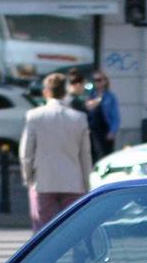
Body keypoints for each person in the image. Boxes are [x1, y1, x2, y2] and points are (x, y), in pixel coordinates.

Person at [19, 72, 93, 234]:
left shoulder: (35, 116)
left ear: (46, 92)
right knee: (74, 230)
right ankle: (77, 258)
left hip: (43, 180)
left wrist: (28, 177)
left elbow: (26, 153)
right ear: (66, 92)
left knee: (42, 231)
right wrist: (86, 184)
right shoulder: (79, 118)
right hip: (73, 181)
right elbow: (85, 155)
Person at [86, 70, 120, 161]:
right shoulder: (90, 95)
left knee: (105, 155)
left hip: (105, 129)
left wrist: (113, 131)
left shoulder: (110, 96)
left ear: (105, 81)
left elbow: (115, 116)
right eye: (95, 80)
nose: (97, 82)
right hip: (93, 130)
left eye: (99, 80)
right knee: (93, 155)